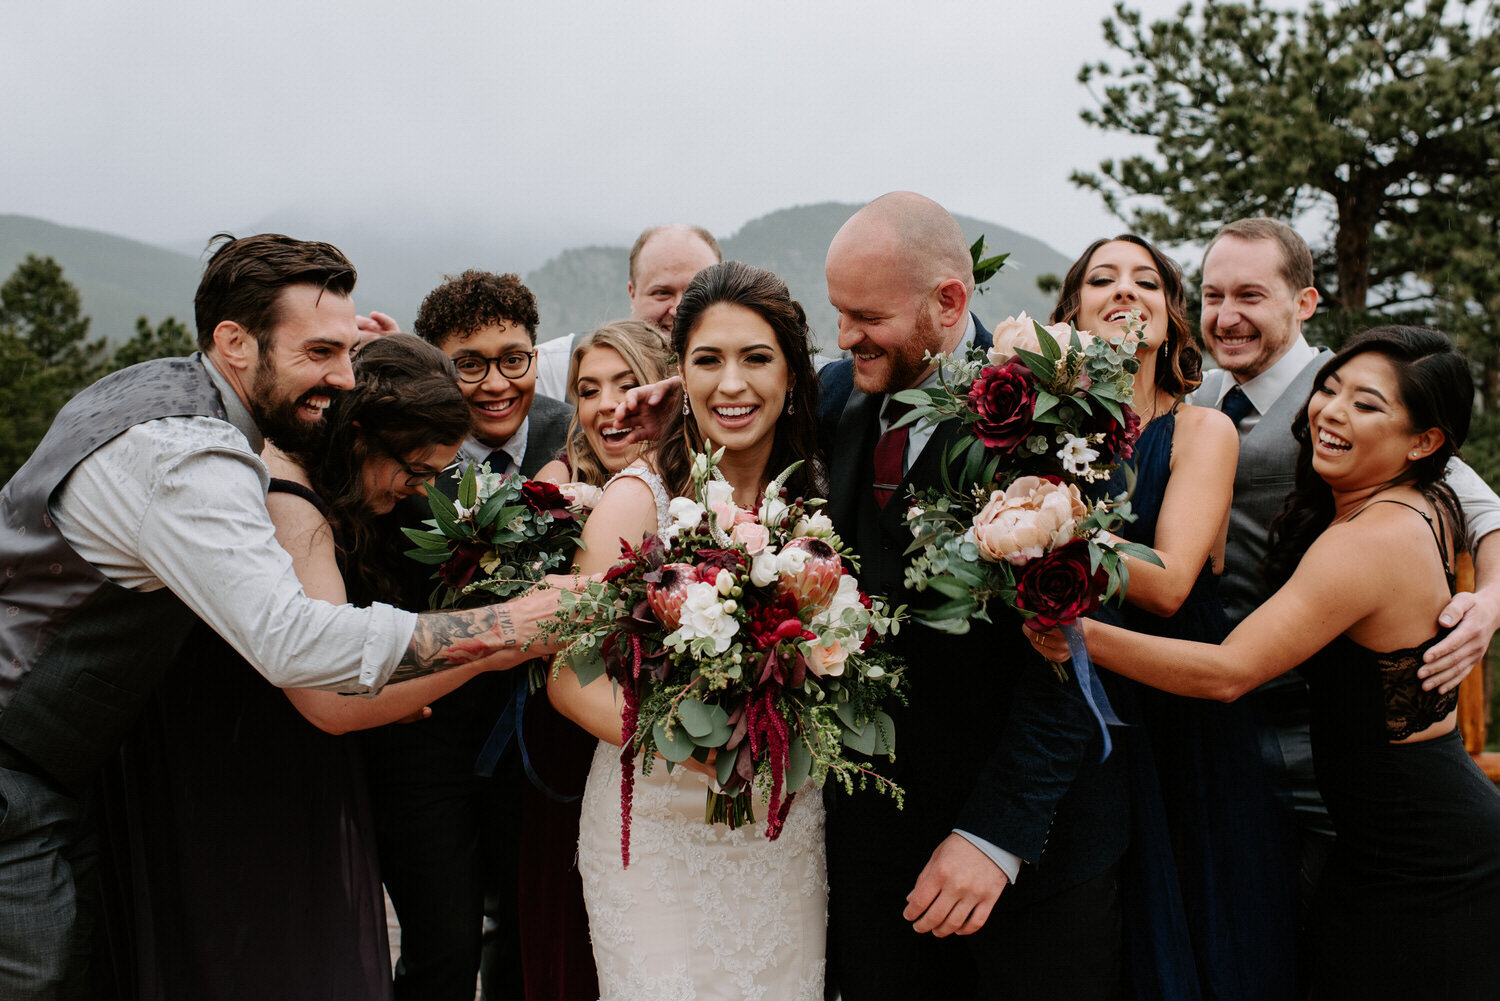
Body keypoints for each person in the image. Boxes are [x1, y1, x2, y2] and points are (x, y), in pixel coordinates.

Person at [0, 233, 563, 999]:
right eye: (321, 352)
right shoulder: (189, 460)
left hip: (65, 765)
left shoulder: (150, 389)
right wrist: (512, 627)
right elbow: (297, 644)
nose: (344, 376)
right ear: (234, 343)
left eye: (350, 349)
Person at [1028, 325, 1500, 1001]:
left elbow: (1229, 672)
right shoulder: (1414, 502)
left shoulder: (1375, 537)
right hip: (1380, 845)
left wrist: (1075, 636)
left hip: (1429, 861)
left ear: (1424, 442)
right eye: (1329, 388)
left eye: (1368, 405)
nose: (1331, 411)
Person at [95, 333, 489, 1000]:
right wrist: (491, 645)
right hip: (239, 765)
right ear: (360, 433)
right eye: (416, 471)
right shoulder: (291, 502)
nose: (419, 491)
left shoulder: (338, 483)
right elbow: (332, 692)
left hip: (277, 752)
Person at [819, 193, 1126, 1000]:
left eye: (866, 315)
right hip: (872, 847)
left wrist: (996, 834)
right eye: (836, 313)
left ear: (949, 301)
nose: (846, 336)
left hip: (1029, 856)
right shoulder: (834, 399)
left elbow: (1075, 657)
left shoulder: (1064, 420)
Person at [1186, 218, 1500, 978]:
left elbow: (1484, 509)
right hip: (1225, 730)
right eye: (1212, 294)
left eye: (1251, 295)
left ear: (1305, 302)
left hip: (1329, 741)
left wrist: (1490, 600)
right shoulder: (1195, 398)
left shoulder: (1378, 399)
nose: (1227, 315)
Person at [548, 261, 829, 1000]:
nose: (730, 384)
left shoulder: (816, 494)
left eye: (756, 358)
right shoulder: (637, 497)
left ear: (794, 373)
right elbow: (568, 677)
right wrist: (694, 745)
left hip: (781, 827)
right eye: (708, 360)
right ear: (680, 374)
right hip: (656, 828)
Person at [1050, 236, 1294, 1001]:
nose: (1126, 291)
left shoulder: (1202, 431)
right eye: (1103, 279)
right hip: (1069, 709)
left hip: (1177, 712)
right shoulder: (1035, 437)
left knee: (1192, 930)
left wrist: (1040, 524)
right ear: (1073, 312)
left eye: (1146, 281)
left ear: (1170, 313)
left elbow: (1168, 580)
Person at [360, 270, 572, 1001]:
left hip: (538, 740)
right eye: (469, 363)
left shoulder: (571, 429)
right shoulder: (397, 451)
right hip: (424, 740)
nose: (495, 383)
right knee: (442, 947)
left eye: (513, 356)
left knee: (526, 936)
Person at [523, 319, 673, 1001]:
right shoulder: (558, 493)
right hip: (586, 750)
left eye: (628, 384)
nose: (610, 405)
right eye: (589, 389)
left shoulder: (707, 483)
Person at [534, 224, 721, 399]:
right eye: (662, 293)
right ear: (632, 294)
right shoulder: (552, 369)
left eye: (696, 293)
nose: (678, 310)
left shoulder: (744, 375)